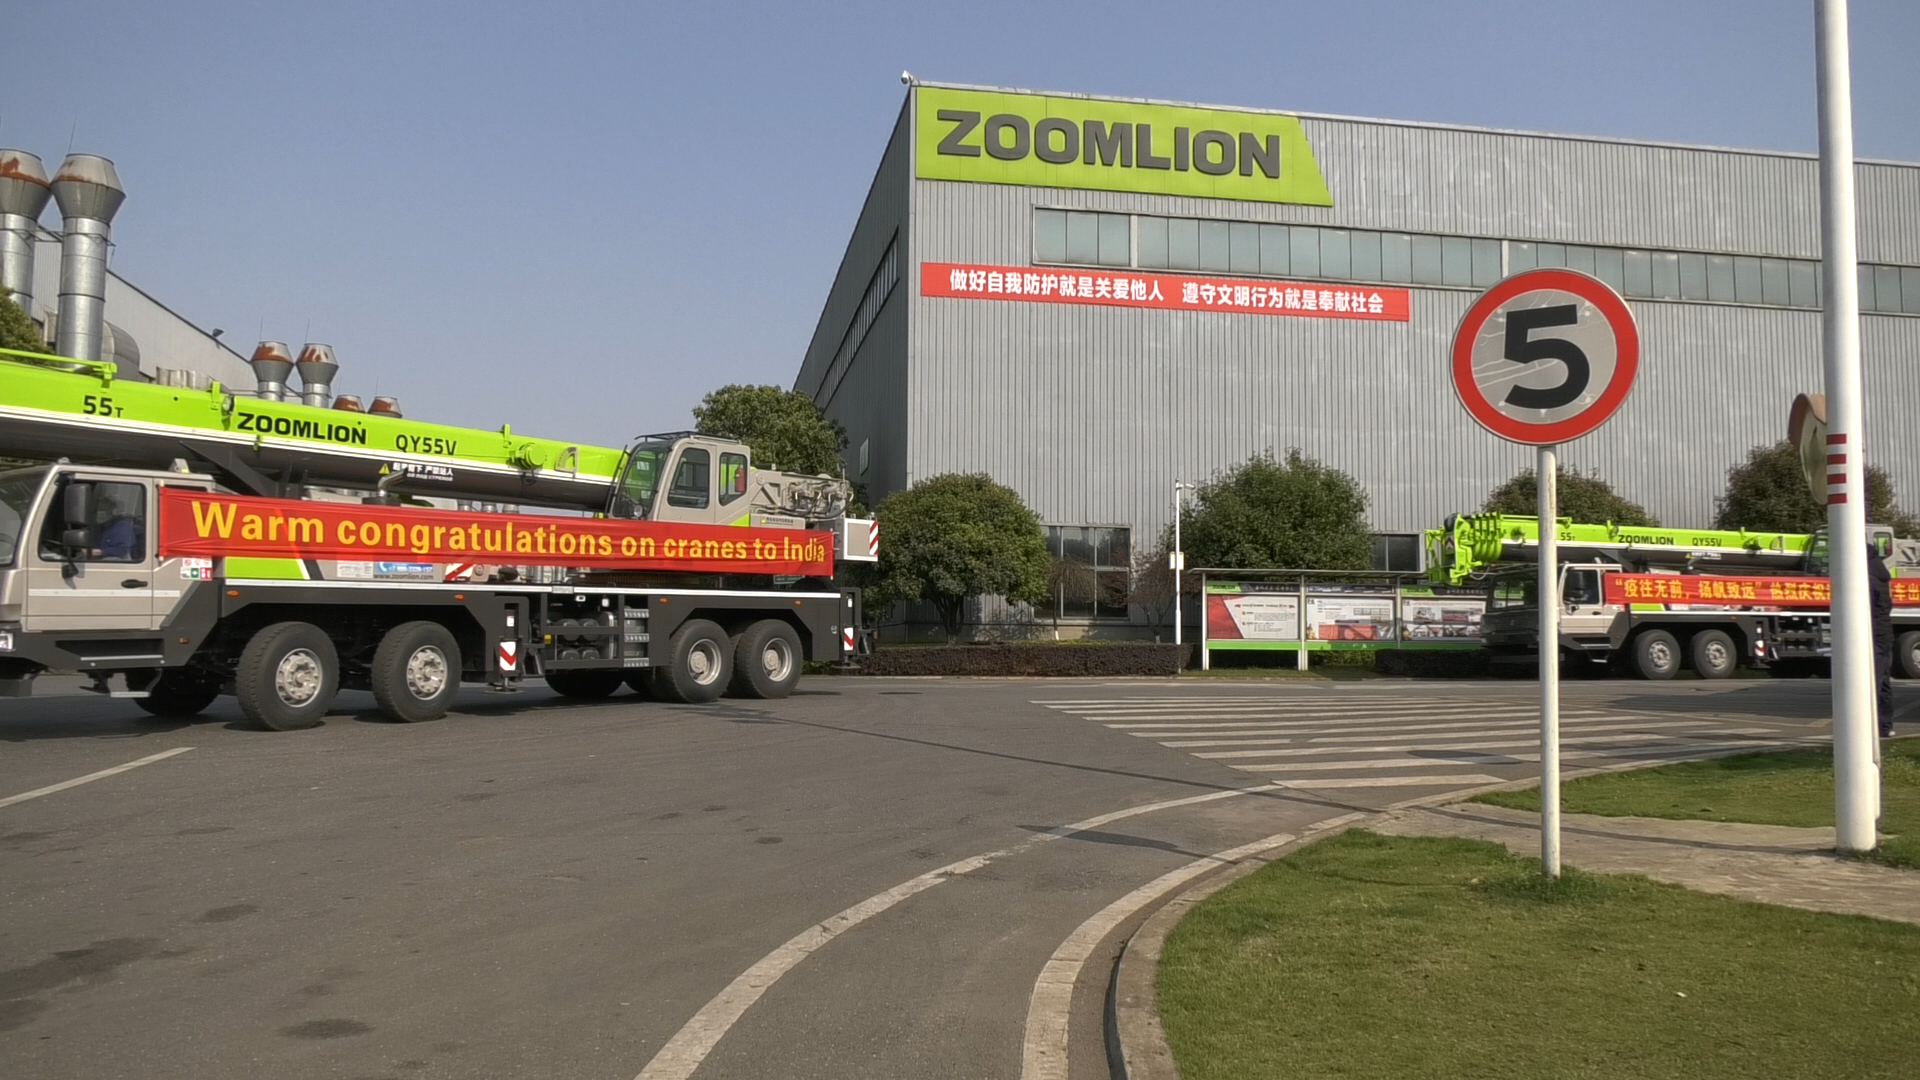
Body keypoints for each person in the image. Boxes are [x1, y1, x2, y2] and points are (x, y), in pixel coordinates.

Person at [1867, 540, 1895, 739]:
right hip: (1885, 634)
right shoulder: (1881, 576)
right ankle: (1886, 725)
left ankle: (1868, 726)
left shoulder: (1867, 579)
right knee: (1883, 681)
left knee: (1872, 682)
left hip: (1874, 634)